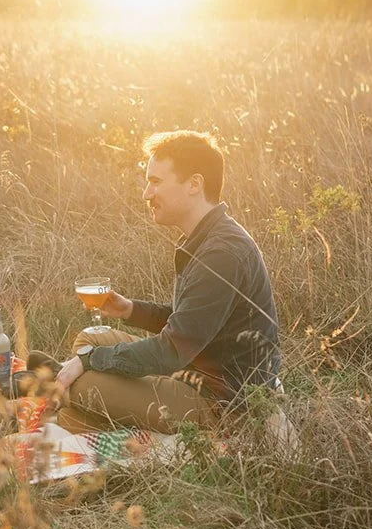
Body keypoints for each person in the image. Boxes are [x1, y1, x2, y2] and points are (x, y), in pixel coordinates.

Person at [45, 130, 281, 432]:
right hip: (192, 369)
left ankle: (69, 402)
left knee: (84, 382)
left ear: (194, 184)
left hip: (220, 402)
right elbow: (192, 324)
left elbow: (172, 351)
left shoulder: (222, 253)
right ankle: (80, 410)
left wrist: (89, 362)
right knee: (91, 339)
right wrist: (131, 310)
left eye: (155, 181)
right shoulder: (208, 236)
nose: (146, 193)